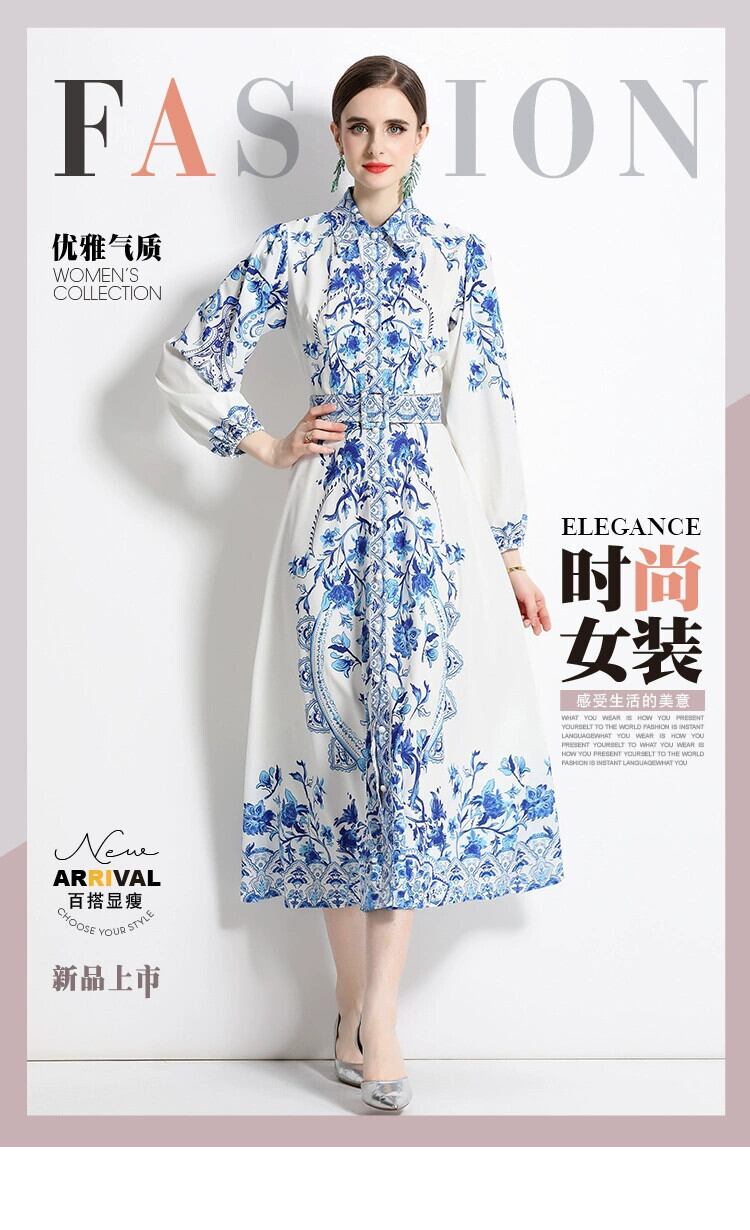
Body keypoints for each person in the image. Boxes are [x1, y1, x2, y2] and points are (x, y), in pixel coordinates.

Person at [154, 54, 565, 1114]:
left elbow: (485, 404)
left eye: (395, 126)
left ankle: (380, 1016)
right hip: (329, 526)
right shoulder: (293, 249)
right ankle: (350, 1005)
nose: (376, 145)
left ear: (421, 139)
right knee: (338, 762)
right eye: (358, 126)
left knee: (411, 761)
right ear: (336, 138)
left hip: (433, 531)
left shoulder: (458, 258)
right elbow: (186, 362)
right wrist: (263, 442)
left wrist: (512, 554)